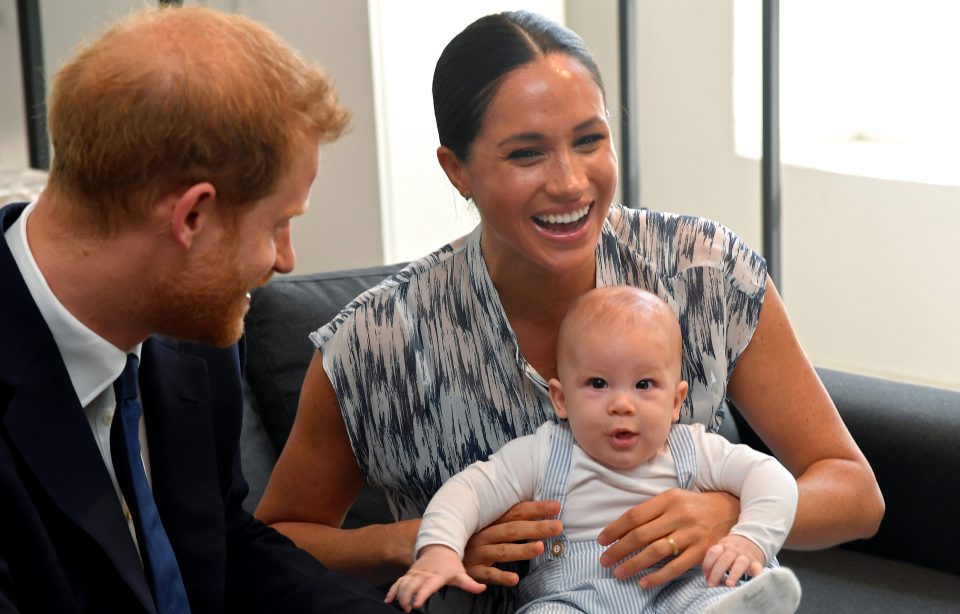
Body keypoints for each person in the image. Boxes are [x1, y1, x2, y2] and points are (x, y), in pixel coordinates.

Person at [257, 9, 884, 614]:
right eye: (526, 154)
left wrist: (728, 513)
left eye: (590, 141)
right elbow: (274, 541)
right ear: (458, 171)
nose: (571, 183)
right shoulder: (378, 341)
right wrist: (415, 540)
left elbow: (855, 491)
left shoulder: (706, 271)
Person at [0, 5, 398, 613]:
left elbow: (227, 549)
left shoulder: (192, 345)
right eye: (279, 223)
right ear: (191, 216)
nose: (286, 260)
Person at [386, 286, 801, 613]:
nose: (622, 404)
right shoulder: (544, 453)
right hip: (577, 599)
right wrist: (439, 551)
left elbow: (771, 477)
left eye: (644, 385)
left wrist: (750, 540)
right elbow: (468, 491)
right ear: (561, 399)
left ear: (676, 402)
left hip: (682, 591)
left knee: (717, 593)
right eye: (598, 384)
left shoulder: (692, 449)